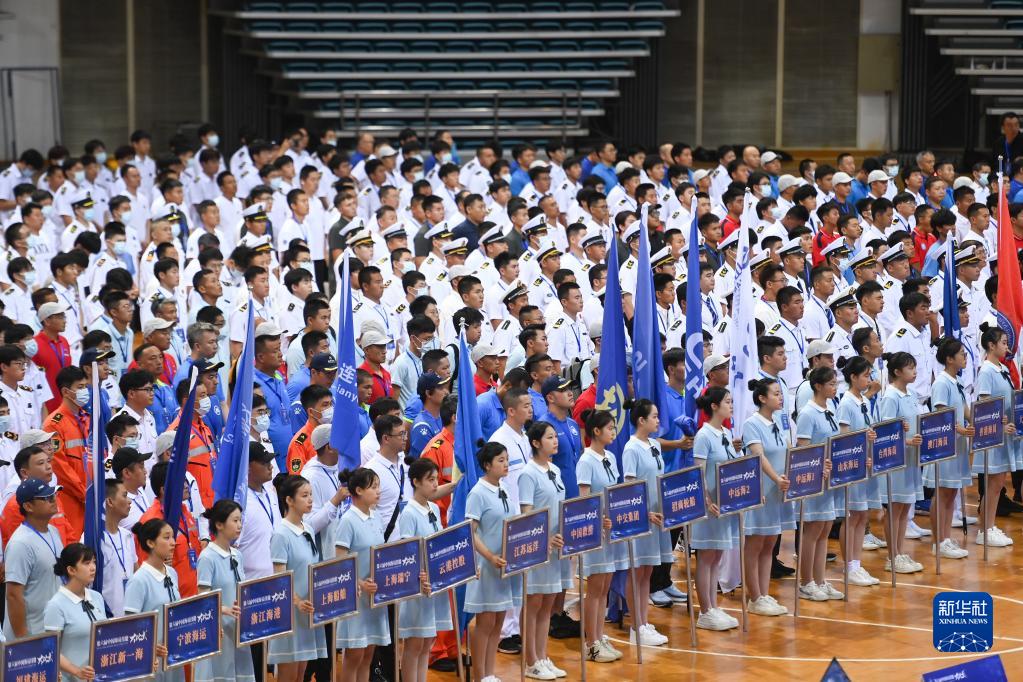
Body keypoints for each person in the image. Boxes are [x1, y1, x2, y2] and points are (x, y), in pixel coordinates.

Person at [464, 443, 522, 682]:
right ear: (487, 465)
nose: (506, 464)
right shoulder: (478, 493)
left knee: (498, 621)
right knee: (485, 623)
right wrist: (489, 556)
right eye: (500, 460)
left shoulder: (504, 488)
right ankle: (479, 676)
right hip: (487, 567)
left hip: (504, 567)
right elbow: (471, 533)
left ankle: (490, 674)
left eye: (507, 459)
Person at [519, 421, 568, 680]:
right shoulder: (528, 474)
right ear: (536, 442)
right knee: (534, 603)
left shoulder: (555, 470)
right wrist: (544, 539)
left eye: (555, 436)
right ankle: (530, 660)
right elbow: (526, 515)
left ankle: (542, 655)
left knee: (548, 602)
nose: (555, 440)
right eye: (550, 437)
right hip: (537, 548)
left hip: (556, 547)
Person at [574, 410, 625, 663]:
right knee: (594, 588)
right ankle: (590, 643)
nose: (613, 432)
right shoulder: (586, 461)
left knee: (605, 586)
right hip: (595, 532)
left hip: (611, 530)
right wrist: (598, 520)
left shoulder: (611, 457)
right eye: (610, 428)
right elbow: (584, 499)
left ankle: (600, 635)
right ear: (596, 431)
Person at [689, 389, 742, 630]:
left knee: (717, 556)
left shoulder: (726, 433)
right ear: (714, 406)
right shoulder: (704, 435)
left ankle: (713, 606)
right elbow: (699, 472)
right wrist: (707, 501)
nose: (731, 406)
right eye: (727, 402)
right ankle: (705, 611)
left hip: (725, 505)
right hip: (709, 508)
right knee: (706, 557)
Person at [397, 458, 452, 682]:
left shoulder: (434, 508)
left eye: (436, 479)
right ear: (416, 482)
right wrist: (418, 576)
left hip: (434, 584)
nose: (435, 484)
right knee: (414, 643)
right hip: (417, 586)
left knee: (427, 640)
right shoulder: (409, 513)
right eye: (430, 480)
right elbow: (407, 552)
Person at [620, 398, 670, 645]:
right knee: (637, 571)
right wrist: (643, 512)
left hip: (657, 517)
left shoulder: (655, 445)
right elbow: (629, 487)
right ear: (641, 420)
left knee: (648, 571)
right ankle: (635, 626)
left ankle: (644, 621)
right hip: (641, 518)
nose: (658, 421)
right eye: (654, 416)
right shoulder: (631, 448)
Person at [740, 378, 792, 616]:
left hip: (778, 491)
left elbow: (788, 451)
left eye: (780, 393)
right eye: (775, 394)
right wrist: (776, 479)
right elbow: (759, 457)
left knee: (770, 543)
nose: (780, 397)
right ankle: (754, 596)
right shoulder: (752, 424)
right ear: (762, 398)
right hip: (761, 490)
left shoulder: (778, 421)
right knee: (755, 543)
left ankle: (764, 593)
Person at [268, 475, 325, 682]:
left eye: (310, 495)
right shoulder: (281, 534)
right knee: (289, 674)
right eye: (304, 495)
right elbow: (279, 579)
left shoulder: (307, 528)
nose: (310, 500)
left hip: (308, 611)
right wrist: (297, 601)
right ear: (289, 500)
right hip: (290, 612)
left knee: (302, 673)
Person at [334, 468, 388, 682]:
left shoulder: (376, 516)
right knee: (354, 656)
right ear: (358, 490)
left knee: (368, 656)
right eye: (373, 487)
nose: (378, 491)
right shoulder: (348, 520)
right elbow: (340, 562)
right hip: (356, 598)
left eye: (378, 486)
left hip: (375, 598)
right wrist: (360, 583)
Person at [794, 367, 843, 600]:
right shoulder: (807, 413)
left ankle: (820, 580)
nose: (835, 387)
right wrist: (818, 466)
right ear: (818, 386)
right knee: (812, 530)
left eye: (835, 383)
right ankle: (806, 582)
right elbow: (803, 449)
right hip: (814, 480)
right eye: (831, 384)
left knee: (824, 529)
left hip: (829, 478)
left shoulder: (830, 408)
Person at [922, 339, 974, 560]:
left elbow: (964, 409)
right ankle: (938, 541)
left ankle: (945, 537)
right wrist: (960, 429)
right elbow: (941, 415)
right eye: (961, 354)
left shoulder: (957, 381)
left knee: (951, 492)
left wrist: (979, 421)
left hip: (958, 444)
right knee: (942, 492)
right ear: (949, 359)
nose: (965, 357)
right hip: (944, 445)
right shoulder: (941, 383)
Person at [194, 499, 256, 682]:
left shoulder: (237, 554)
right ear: (219, 524)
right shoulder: (207, 557)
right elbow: (203, 599)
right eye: (235, 520)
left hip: (238, 629)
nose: (239, 525)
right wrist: (224, 609)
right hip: (218, 630)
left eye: (240, 520)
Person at [877, 352, 926, 573]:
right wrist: (906, 441)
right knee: (895, 508)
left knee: (905, 506)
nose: (914, 372)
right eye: (910, 368)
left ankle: (900, 552)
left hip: (911, 457)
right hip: (896, 459)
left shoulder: (911, 394)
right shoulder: (890, 397)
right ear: (897, 372)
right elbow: (886, 432)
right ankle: (892, 556)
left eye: (915, 367)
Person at [973, 327, 1019, 548]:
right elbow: (984, 405)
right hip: (993, 434)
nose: (1006, 347)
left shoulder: (1003, 369)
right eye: (1003, 342)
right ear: (991, 345)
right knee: (992, 484)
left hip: (1005, 433)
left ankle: (989, 527)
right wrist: (1000, 423)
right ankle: (984, 530)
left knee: (999, 483)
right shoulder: (986, 371)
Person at [4, 478, 64, 639]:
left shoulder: (53, 531)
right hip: (31, 635)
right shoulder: (20, 544)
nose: (53, 500)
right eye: (46, 498)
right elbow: (13, 595)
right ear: (28, 506)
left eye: (53, 495)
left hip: (52, 628)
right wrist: (23, 640)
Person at [43, 543, 108, 682]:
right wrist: (77, 671)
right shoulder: (56, 605)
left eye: (93, 562)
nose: (93, 567)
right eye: (86, 563)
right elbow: (51, 650)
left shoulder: (97, 597)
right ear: (71, 570)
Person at [124, 518, 179, 681]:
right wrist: (151, 646)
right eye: (167, 537)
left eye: (173, 537)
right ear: (150, 543)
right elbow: (130, 626)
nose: (173, 543)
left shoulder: (172, 573)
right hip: (150, 661)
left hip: (174, 655)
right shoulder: (139, 580)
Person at [102, 474, 139, 617]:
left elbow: (136, 573)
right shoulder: (93, 539)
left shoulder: (127, 536)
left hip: (132, 616)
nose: (129, 501)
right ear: (110, 502)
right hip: (107, 620)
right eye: (124, 496)